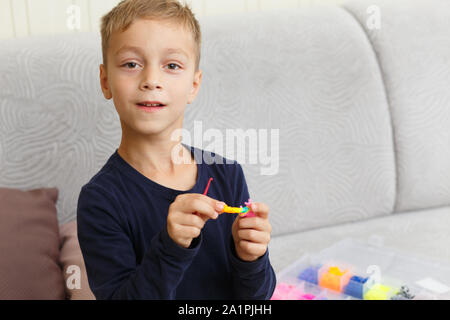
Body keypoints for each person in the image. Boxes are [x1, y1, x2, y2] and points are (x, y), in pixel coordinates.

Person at [77, 0, 276, 300]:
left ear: (194, 85)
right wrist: (170, 248)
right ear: (106, 81)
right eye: (132, 64)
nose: (151, 81)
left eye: (171, 66)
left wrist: (252, 259)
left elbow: (255, 298)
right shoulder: (100, 201)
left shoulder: (227, 174)